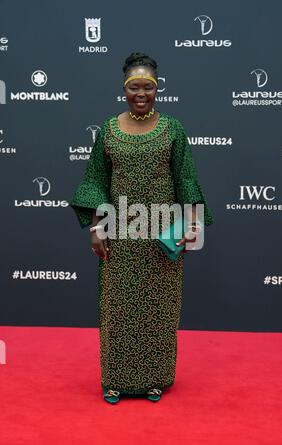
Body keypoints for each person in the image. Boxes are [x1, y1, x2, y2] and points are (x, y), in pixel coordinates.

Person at [68, 52, 214, 404]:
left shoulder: (173, 129)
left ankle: (156, 379)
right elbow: (96, 181)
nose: (141, 93)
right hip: (120, 234)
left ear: (158, 88)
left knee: (160, 307)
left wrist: (191, 224)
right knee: (117, 308)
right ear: (124, 89)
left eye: (149, 86)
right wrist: (96, 227)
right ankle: (115, 379)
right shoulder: (108, 129)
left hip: (162, 235)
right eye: (135, 86)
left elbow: (186, 179)